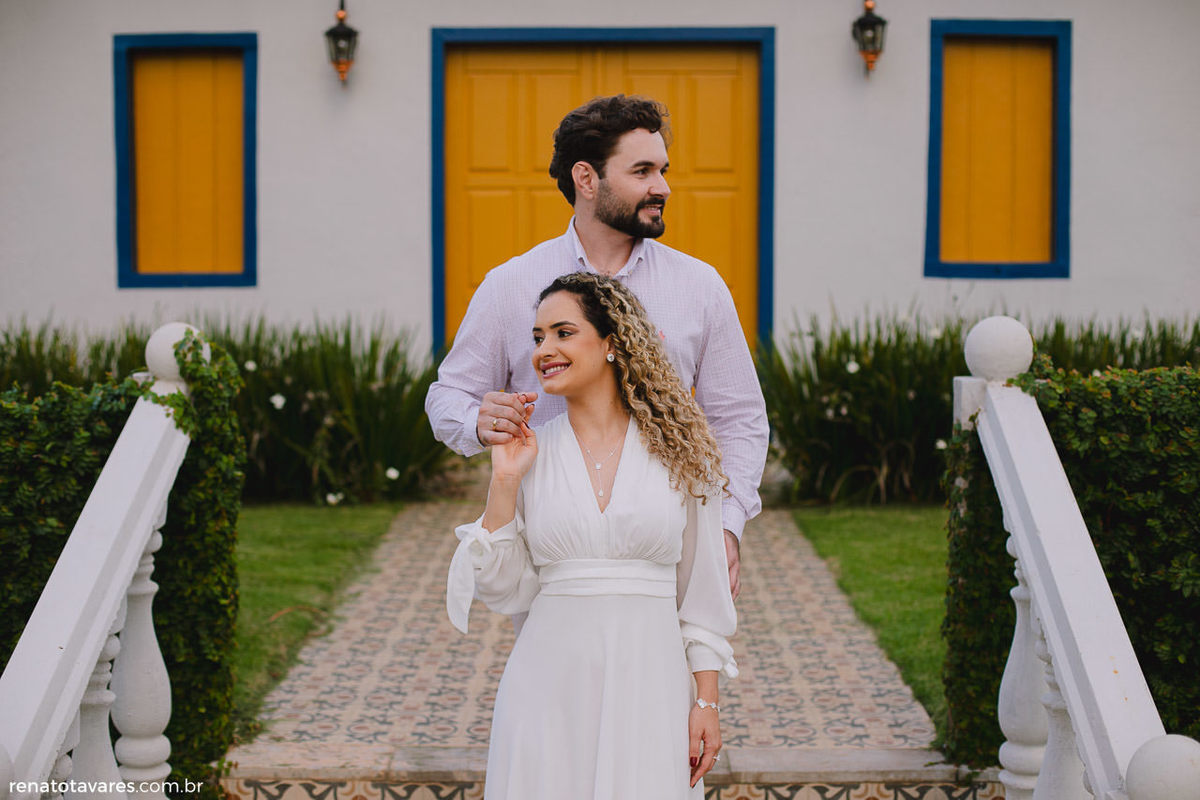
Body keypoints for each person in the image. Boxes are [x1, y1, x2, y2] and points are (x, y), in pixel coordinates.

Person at [426, 94, 768, 599]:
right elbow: (448, 396)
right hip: (552, 561)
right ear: (586, 179)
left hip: (670, 553)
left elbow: (738, 418)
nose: (662, 187)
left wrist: (727, 525)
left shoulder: (700, 287)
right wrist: (479, 420)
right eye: (643, 171)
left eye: (662, 170)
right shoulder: (510, 285)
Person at [446, 272, 737, 800]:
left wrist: (706, 701)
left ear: (611, 343)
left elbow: (704, 593)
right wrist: (505, 479)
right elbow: (504, 589)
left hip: (651, 686)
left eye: (563, 333)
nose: (544, 350)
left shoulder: (684, 455)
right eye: (537, 337)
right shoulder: (530, 453)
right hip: (546, 689)